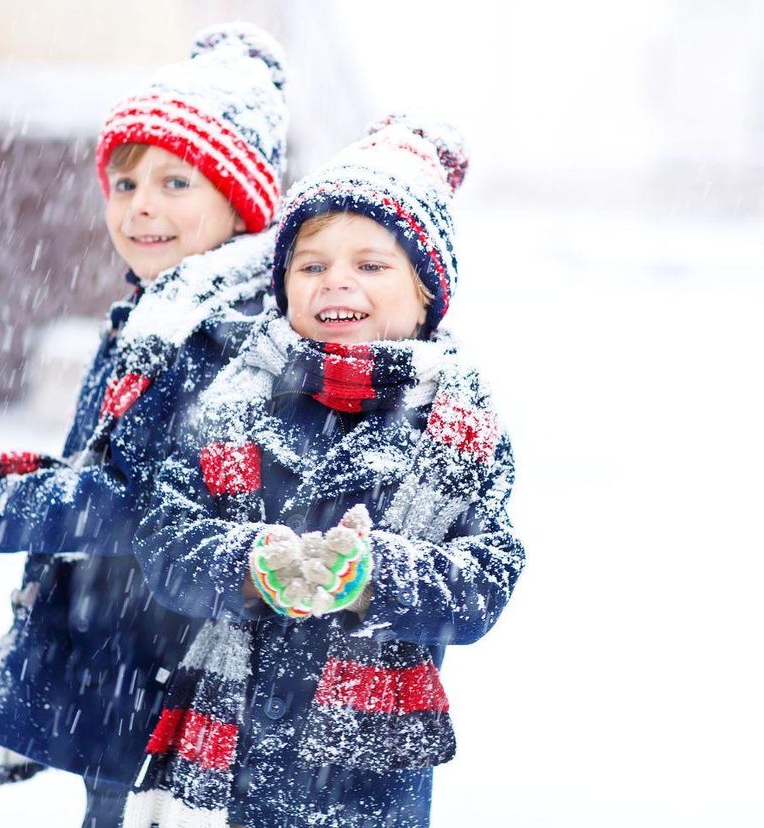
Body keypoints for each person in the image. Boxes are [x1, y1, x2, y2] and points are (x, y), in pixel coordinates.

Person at [0, 23, 288, 827]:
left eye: (178, 184)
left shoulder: (220, 338)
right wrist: (8, 476)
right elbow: (106, 461)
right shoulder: (158, 315)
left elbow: (126, 505)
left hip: (178, 683)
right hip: (126, 667)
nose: (142, 206)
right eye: (125, 183)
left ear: (241, 202)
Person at [124, 115, 526, 828]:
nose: (336, 280)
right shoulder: (235, 402)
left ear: (428, 294)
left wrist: (379, 575)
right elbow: (165, 539)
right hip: (230, 761)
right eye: (311, 265)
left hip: (365, 780)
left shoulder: (458, 429)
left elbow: (487, 574)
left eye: (372, 265)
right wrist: (250, 568)